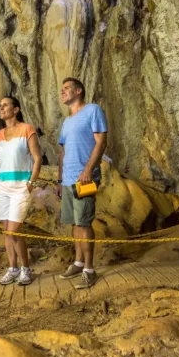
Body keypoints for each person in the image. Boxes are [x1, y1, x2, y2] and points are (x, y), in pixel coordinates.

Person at [57, 77, 108, 289]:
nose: (63, 92)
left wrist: (88, 170)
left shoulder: (93, 110)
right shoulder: (67, 121)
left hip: (85, 177)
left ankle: (89, 269)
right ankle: (78, 262)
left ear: (79, 91)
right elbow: (63, 151)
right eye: (62, 90)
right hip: (68, 178)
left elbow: (101, 142)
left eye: (67, 88)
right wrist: (59, 179)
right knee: (74, 223)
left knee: (84, 223)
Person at [0, 96, 42, 286]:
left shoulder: (27, 129)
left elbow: (37, 158)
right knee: (6, 231)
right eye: (0, 107)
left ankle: (26, 269)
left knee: (14, 231)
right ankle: (13, 269)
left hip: (21, 187)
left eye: (5, 105)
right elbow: (0, 159)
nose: (1, 109)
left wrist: (31, 182)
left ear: (16, 109)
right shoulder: (0, 134)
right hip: (2, 186)